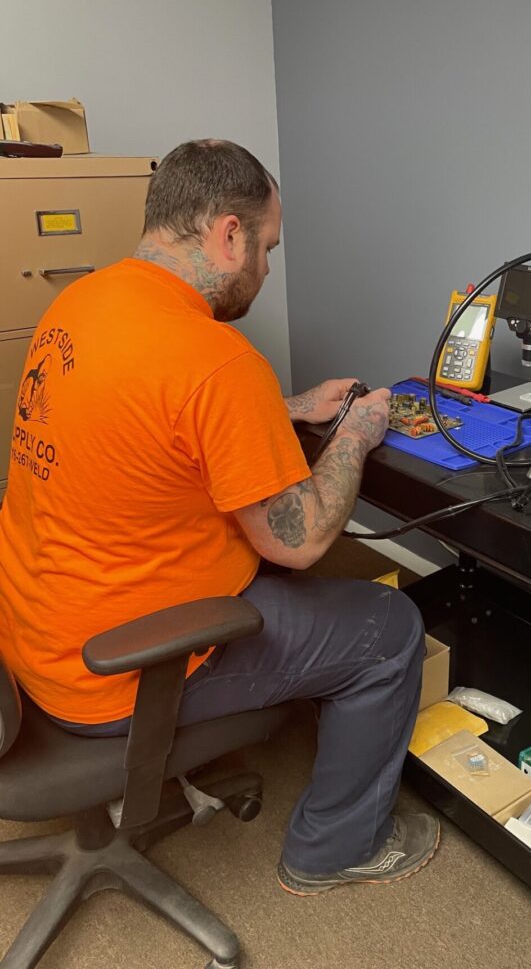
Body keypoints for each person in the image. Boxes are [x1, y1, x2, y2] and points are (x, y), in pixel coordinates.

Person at [0, 139, 439, 895]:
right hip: (116, 668)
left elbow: (148, 429)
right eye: (266, 248)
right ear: (228, 234)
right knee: (389, 630)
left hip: (34, 636)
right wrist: (359, 434)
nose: (265, 270)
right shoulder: (216, 358)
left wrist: (292, 411)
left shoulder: (81, 303)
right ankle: (334, 849)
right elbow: (296, 543)